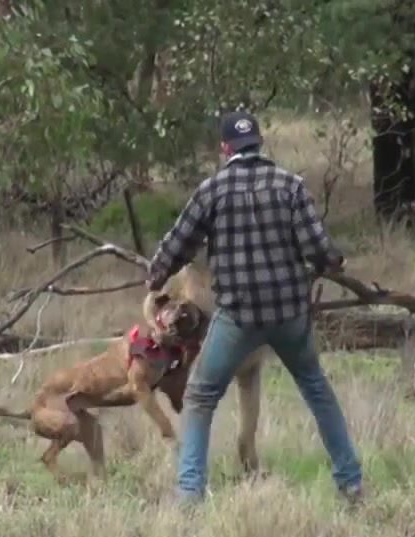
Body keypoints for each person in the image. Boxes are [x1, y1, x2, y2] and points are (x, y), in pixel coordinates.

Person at [144, 110, 365, 506]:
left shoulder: (211, 191)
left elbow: (177, 245)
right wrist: (334, 262)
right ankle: (350, 482)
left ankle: (190, 492)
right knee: (317, 390)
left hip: (239, 317)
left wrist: (155, 277)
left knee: (201, 395)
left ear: (225, 148)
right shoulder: (290, 186)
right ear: (259, 144)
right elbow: (320, 251)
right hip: (289, 314)